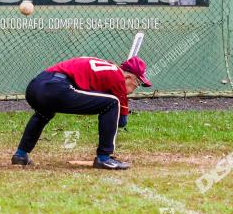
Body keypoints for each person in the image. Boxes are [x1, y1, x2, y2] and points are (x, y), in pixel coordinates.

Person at [12, 55, 151, 170]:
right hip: (57, 88)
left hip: (35, 86)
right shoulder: (118, 80)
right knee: (112, 103)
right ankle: (104, 158)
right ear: (127, 77)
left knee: (44, 112)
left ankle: (20, 155)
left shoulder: (107, 67)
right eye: (137, 83)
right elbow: (121, 122)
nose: (135, 88)